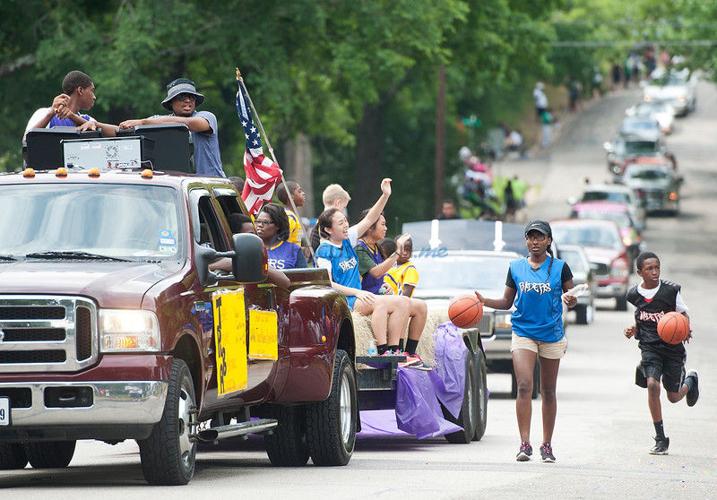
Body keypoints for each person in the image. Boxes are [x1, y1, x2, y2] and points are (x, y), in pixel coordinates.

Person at [474, 221, 577, 463]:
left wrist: (571, 301)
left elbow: (571, 299)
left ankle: (547, 445)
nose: (535, 242)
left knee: (548, 390)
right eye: (530, 237)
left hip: (551, 333)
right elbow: (506, 302)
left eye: (540, 237)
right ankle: (524, 443)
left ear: (549, 241)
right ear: (526, 241)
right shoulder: (516, 267)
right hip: (523, 332)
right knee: (524, 385)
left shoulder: (560, 268)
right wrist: (484, 301)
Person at [315, 179, 412, 356]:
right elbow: (328, 284)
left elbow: (369, 219)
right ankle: (382, 351)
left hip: (358, 298)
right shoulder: (324, 250)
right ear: (328, 230)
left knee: (404, 302)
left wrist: (385, 195)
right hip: (343, 301)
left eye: (345, 221)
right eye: (340, 223)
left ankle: (394, 350)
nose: (346, 225)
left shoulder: (347, 240)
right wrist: (356, 292)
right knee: (380, 304)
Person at [624, 252, 699, 455]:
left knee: (673, 397)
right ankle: (660, 438)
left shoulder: (670, 291)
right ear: (639, 272)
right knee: (652, 385)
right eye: (649, 269)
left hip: (672, 349)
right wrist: (633, 330)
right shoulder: (634, 295)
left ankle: (690, 380)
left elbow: (682, 314)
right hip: (649, 349)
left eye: (657, 267)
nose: (654, 272)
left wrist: (686, 327)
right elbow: (641, 320)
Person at [119, 78, 225, 177]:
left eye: (191, 97)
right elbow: (120, 131)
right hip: (178, 184)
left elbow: (188, 123)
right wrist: (101, 125)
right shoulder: (157, 121)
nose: (188, 100)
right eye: (182, 97)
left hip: (210, 183)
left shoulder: (206, 117)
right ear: (171, 102)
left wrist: (143, 122)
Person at [24, 71, 118, 139]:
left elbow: (117, 132)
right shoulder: (44, 113)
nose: (94, 97)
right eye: (92, 91)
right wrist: (51, 113)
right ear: (80, 90)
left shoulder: (88, 120)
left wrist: (72, 116)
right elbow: (26, 140)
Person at [255, 203, 307, 270]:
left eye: (265, 222)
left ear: (278, 225)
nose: (259, 225)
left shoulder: (293, 250)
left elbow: (304, 277)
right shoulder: (251, 248)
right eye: (258, 221)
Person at [310, 183, 351, 251]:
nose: (343, 212)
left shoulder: (318, 226)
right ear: (338, 203)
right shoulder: (322, 227)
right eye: (344, 207)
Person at [276, 180, 306, 246]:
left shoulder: (292, 215)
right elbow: (282, 242)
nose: (303, 193)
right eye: (299, 191)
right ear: (291, 196)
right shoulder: (289, 217)